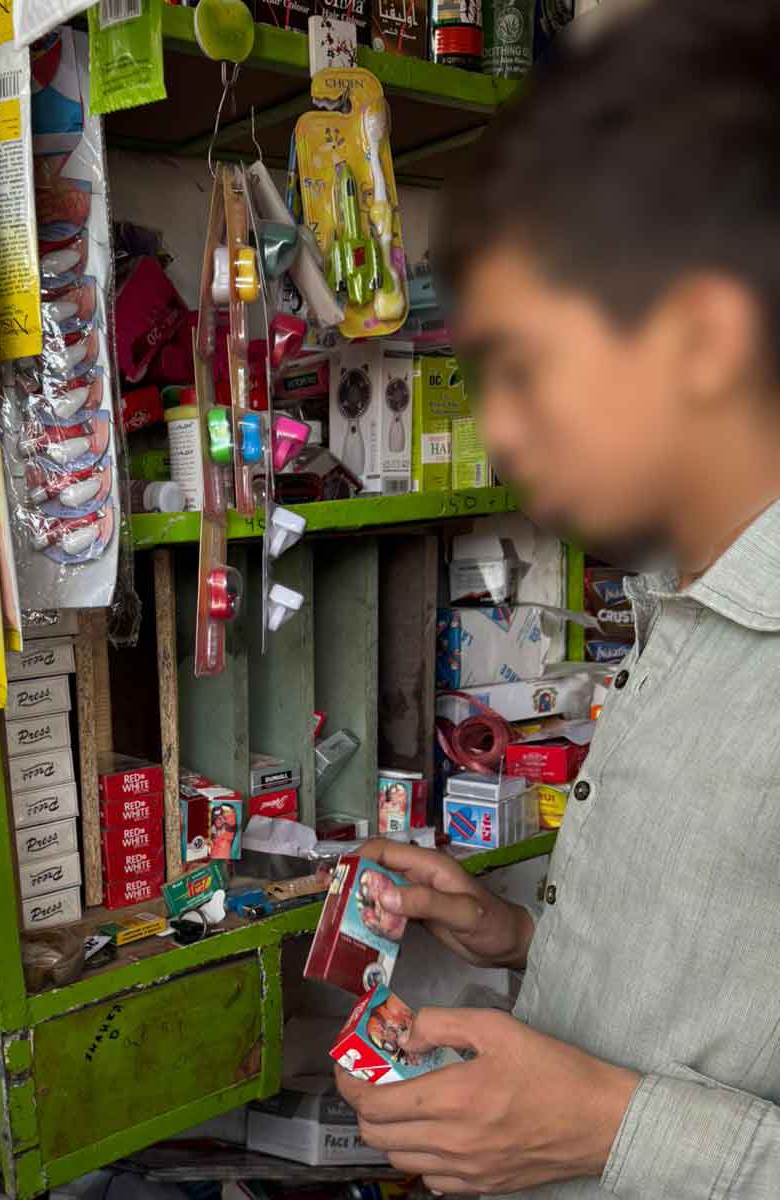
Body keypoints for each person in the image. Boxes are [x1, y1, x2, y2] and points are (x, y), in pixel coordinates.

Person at [336, 3, 780, 1197]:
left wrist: (610, 1133)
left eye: (532, 364)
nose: (499, 426)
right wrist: (515, 937)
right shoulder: (695, 602)